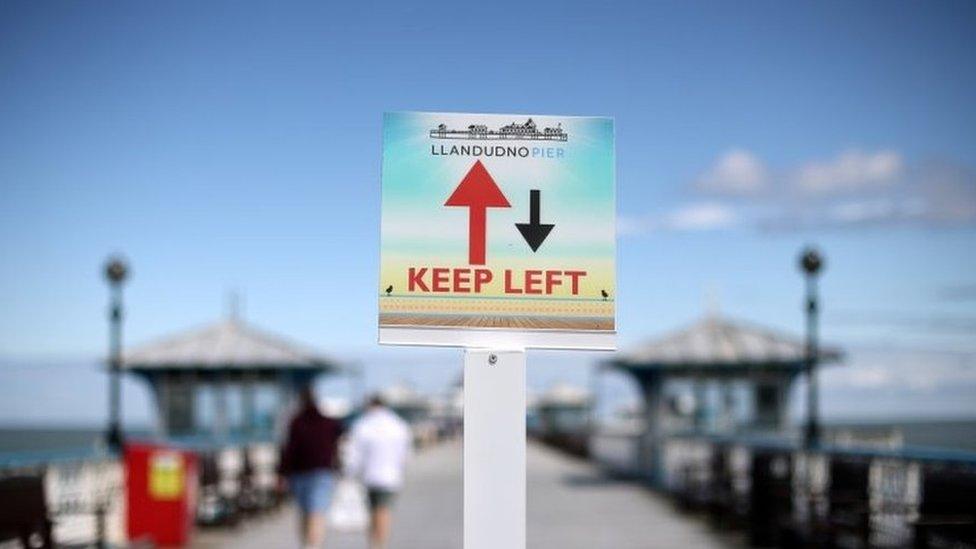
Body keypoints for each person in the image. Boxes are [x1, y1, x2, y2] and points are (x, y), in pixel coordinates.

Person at [279, 386, 344, 549]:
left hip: (299, 473)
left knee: (304, 513)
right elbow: (338, 439)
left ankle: (306, 544)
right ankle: (314, 545)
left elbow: (290, 450)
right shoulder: (328, 422)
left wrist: (281, 473)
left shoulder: (296, 422)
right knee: (317, 512)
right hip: (322, 472)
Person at [347, 394, 411, 549]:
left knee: (373, 513)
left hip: (368, 476)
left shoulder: (362, 425)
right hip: (390, 477)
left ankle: (374, 543)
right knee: (384, 511)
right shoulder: (398, 425)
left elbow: (353, 454)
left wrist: (350, 473)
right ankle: (380, 544)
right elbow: (406, 454)